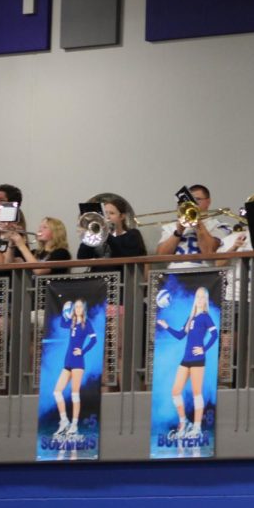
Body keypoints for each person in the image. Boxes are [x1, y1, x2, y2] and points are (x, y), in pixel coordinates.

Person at [156, 286, 218, 438]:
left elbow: (215, 335)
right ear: (195, 299)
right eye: (198, 296)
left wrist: (204, 348)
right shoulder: (190, 318)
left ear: (206, 300)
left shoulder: (205, 316)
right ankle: (184, 423)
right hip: (186, 359)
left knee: (197, 393)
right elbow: (179, 336)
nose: (200, 299)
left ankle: (196, 428)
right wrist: (166, 326)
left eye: (203, 297)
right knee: (175, 391)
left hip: (198, 360)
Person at [52, 299, 97, 436]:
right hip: (68, 361)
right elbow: (61, 323)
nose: (77, 309)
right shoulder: (71, 323)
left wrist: (82, 351)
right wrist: (64, 311)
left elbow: (94, 340)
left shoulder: (86, 324)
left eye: (79, 307)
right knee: (57, 392)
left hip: (78, 362)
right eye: (75, 307)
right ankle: (64, 420)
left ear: (83, 309)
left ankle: (75, 425)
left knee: (74, 394)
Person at [156, 185, 224, 265]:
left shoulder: (219, 225)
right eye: (189, 201)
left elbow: (209, 252)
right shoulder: (170, 227)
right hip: (174, 274)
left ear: (208, 201)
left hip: (204, 273)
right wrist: (178, 232)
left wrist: (198, 224)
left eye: (197, 199)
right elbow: (160, 256)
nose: (193, 204)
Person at [77, 194, 147, 260]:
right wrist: (89, 235)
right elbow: (81, 257)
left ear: (122, 216)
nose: (107, 217)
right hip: (98, 272)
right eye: (105, 213)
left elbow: (126, 255)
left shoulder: (132, 234)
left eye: (112, 213)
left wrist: (107, 234)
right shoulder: (98, 238)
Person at [7, 217, 72, 274]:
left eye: (45, 227)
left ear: (56, 232)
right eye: (40, 227)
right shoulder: (35, 252)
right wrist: (11, 243)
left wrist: (21, 245)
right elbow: (9, 263)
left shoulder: (62, 253)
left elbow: (39, 270)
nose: (40, 230)